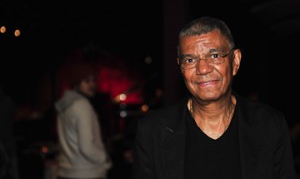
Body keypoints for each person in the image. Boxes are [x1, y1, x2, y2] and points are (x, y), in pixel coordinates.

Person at [132, 16, 297, 179]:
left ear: (236, 60)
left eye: (215, 56)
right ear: (181, 68)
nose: (203, 69)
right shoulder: (153, 131)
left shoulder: (269, 124)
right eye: (190, 60)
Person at [55, 61, 112, 179]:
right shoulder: (82, 105)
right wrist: (104, 158)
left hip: (66, 172)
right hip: (86, 173)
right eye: (86, 81)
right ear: (76, 83)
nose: (92, 85)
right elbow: (86, 148)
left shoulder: (65, 105)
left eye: (93, 80)